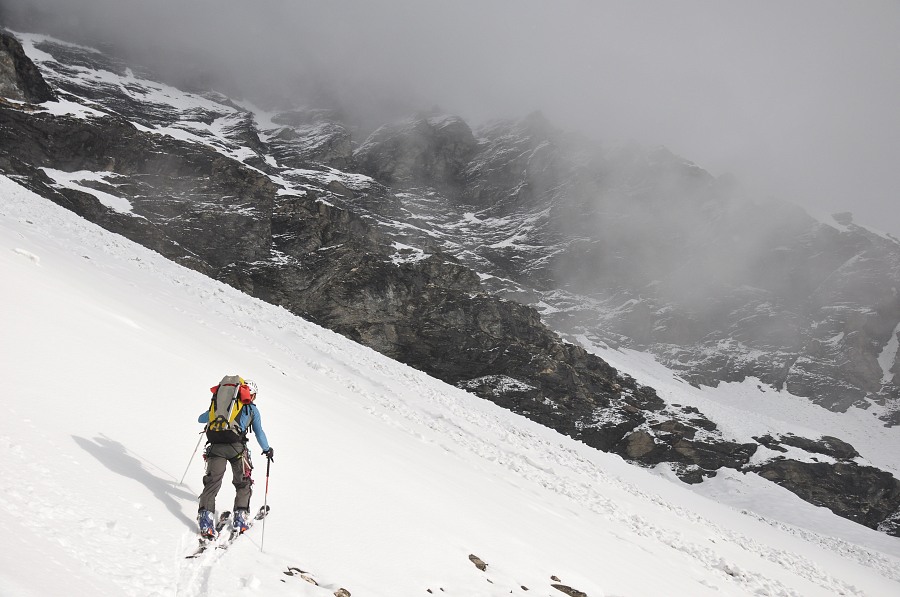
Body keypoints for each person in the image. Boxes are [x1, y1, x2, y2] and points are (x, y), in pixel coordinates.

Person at [196, 378, 274, 536]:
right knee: (243, 483)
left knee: (212, 484)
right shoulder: (251, 409)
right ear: (252, 395)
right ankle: (240, 517)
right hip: (237, 449)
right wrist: (267, 449)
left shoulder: (222, 406)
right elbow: (259, 433)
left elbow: (201, 419)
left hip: (216, 447)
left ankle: (205, 520)